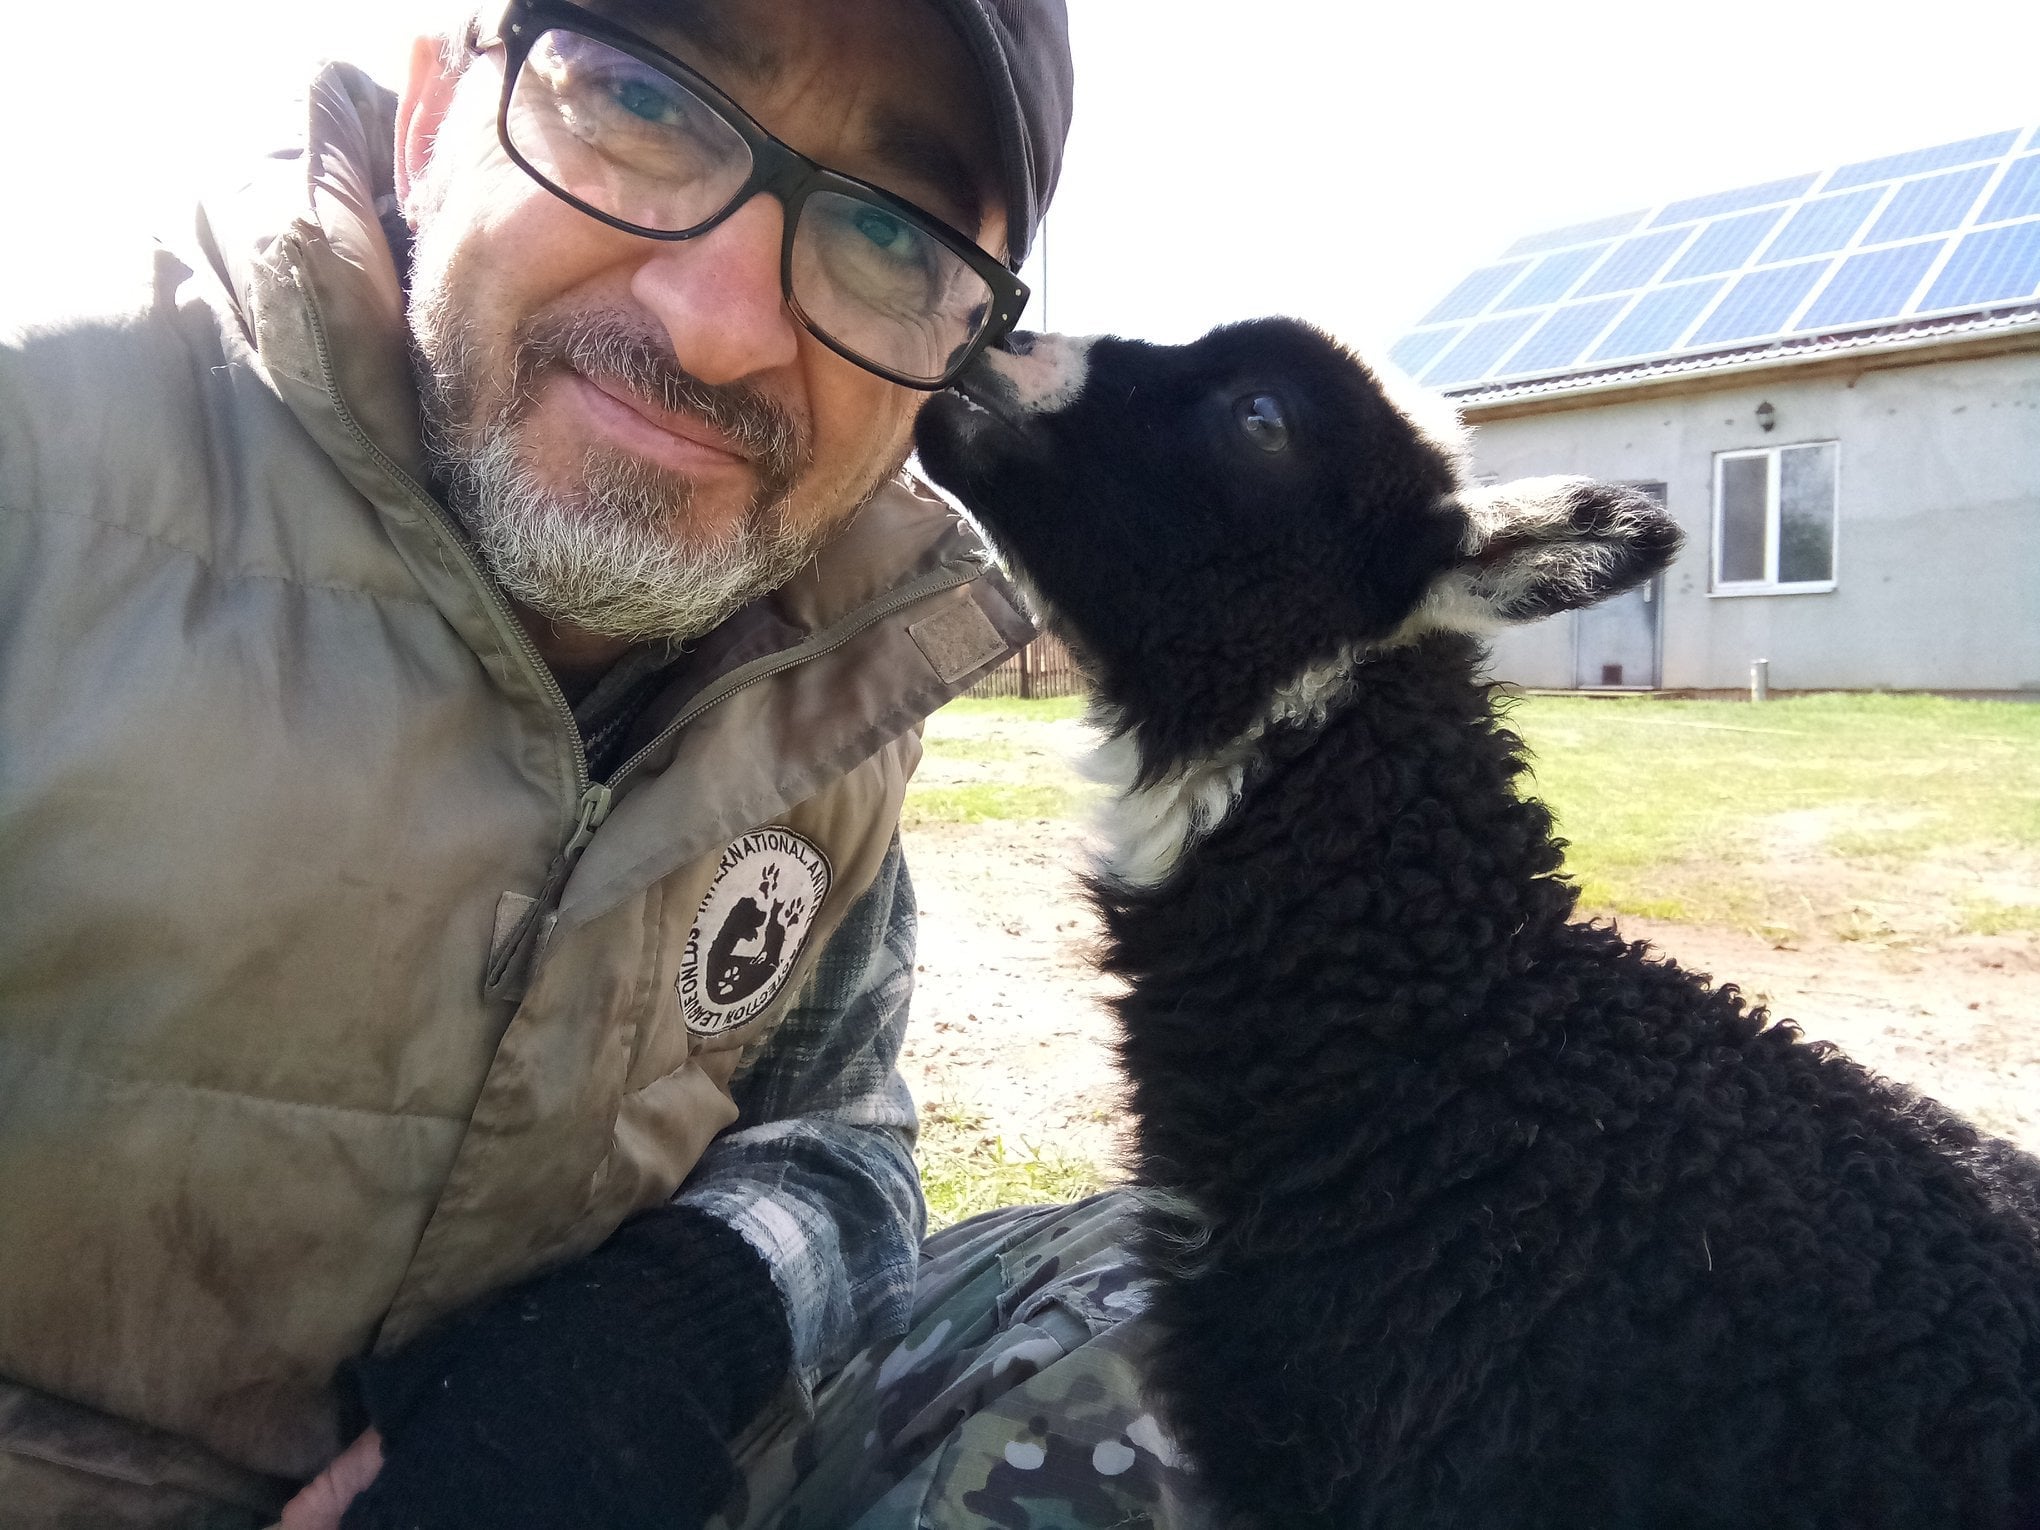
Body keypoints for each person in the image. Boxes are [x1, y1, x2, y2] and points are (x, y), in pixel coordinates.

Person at [0, 1, 1214, 1526]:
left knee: (1209, 1307)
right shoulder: (38, 477)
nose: (717, 320)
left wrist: (652, 1352)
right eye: (642, 98)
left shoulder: (830, 663)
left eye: (892, 235)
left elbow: (845, 1133)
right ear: (438, 107)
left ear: (948, 354)